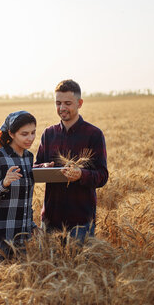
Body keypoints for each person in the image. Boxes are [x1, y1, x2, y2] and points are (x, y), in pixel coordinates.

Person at [35, 79, 108, 242]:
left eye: (67, 103)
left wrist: (81, 175)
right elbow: (35, 167)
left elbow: (102, 176)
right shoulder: (48, 134)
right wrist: (44, 167)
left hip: (80, 221)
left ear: (79, 103)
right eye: (58, 103)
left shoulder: (94, 134)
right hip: (50, 220)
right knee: (48, 267)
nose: (62, 108)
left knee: (79, 266)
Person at [0, 110, 38, 258]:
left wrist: (31, 225)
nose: (30, 138)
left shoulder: (29, 157)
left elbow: (25, 197)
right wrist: (4, 183)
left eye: (33, 133)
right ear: (12, 134)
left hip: (22, 236)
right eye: (24, 134)